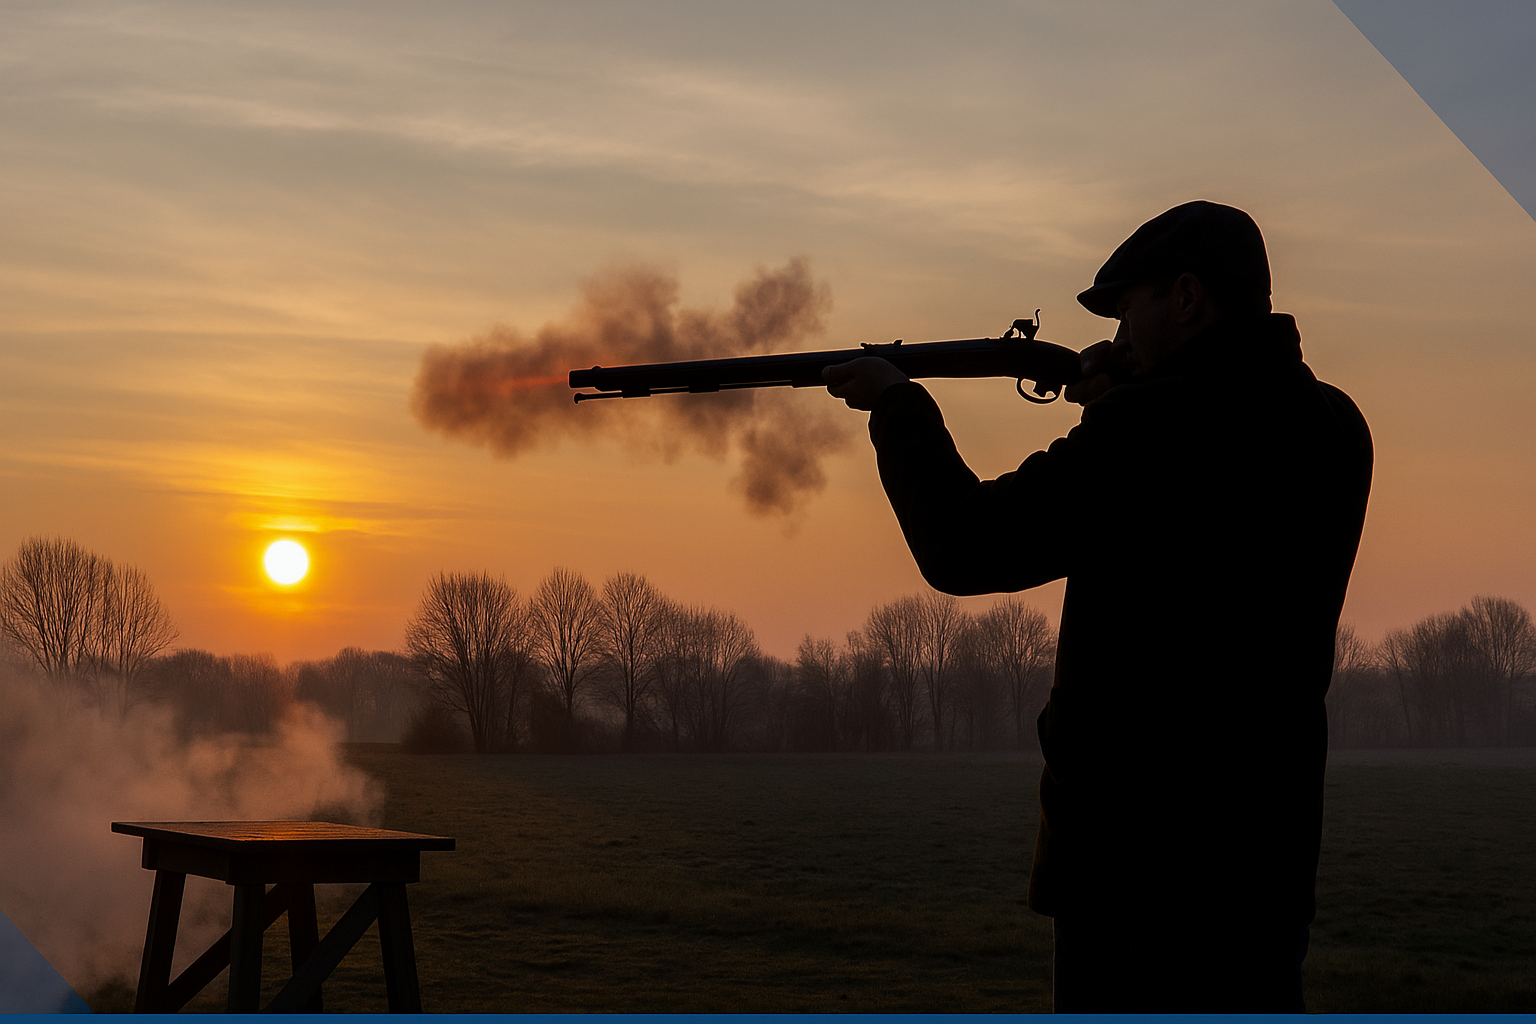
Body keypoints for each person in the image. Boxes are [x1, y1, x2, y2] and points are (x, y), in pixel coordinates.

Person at [822, 201, 1373, 1012]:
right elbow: (1192, 501)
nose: (1114, 338)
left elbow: (964, 545)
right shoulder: (1335, 424)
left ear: (1186, 298)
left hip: (1132, 877)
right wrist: (1115, 404)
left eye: (1126, 312)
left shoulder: (1149, 430)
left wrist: (900, 405)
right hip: (1266, 868)